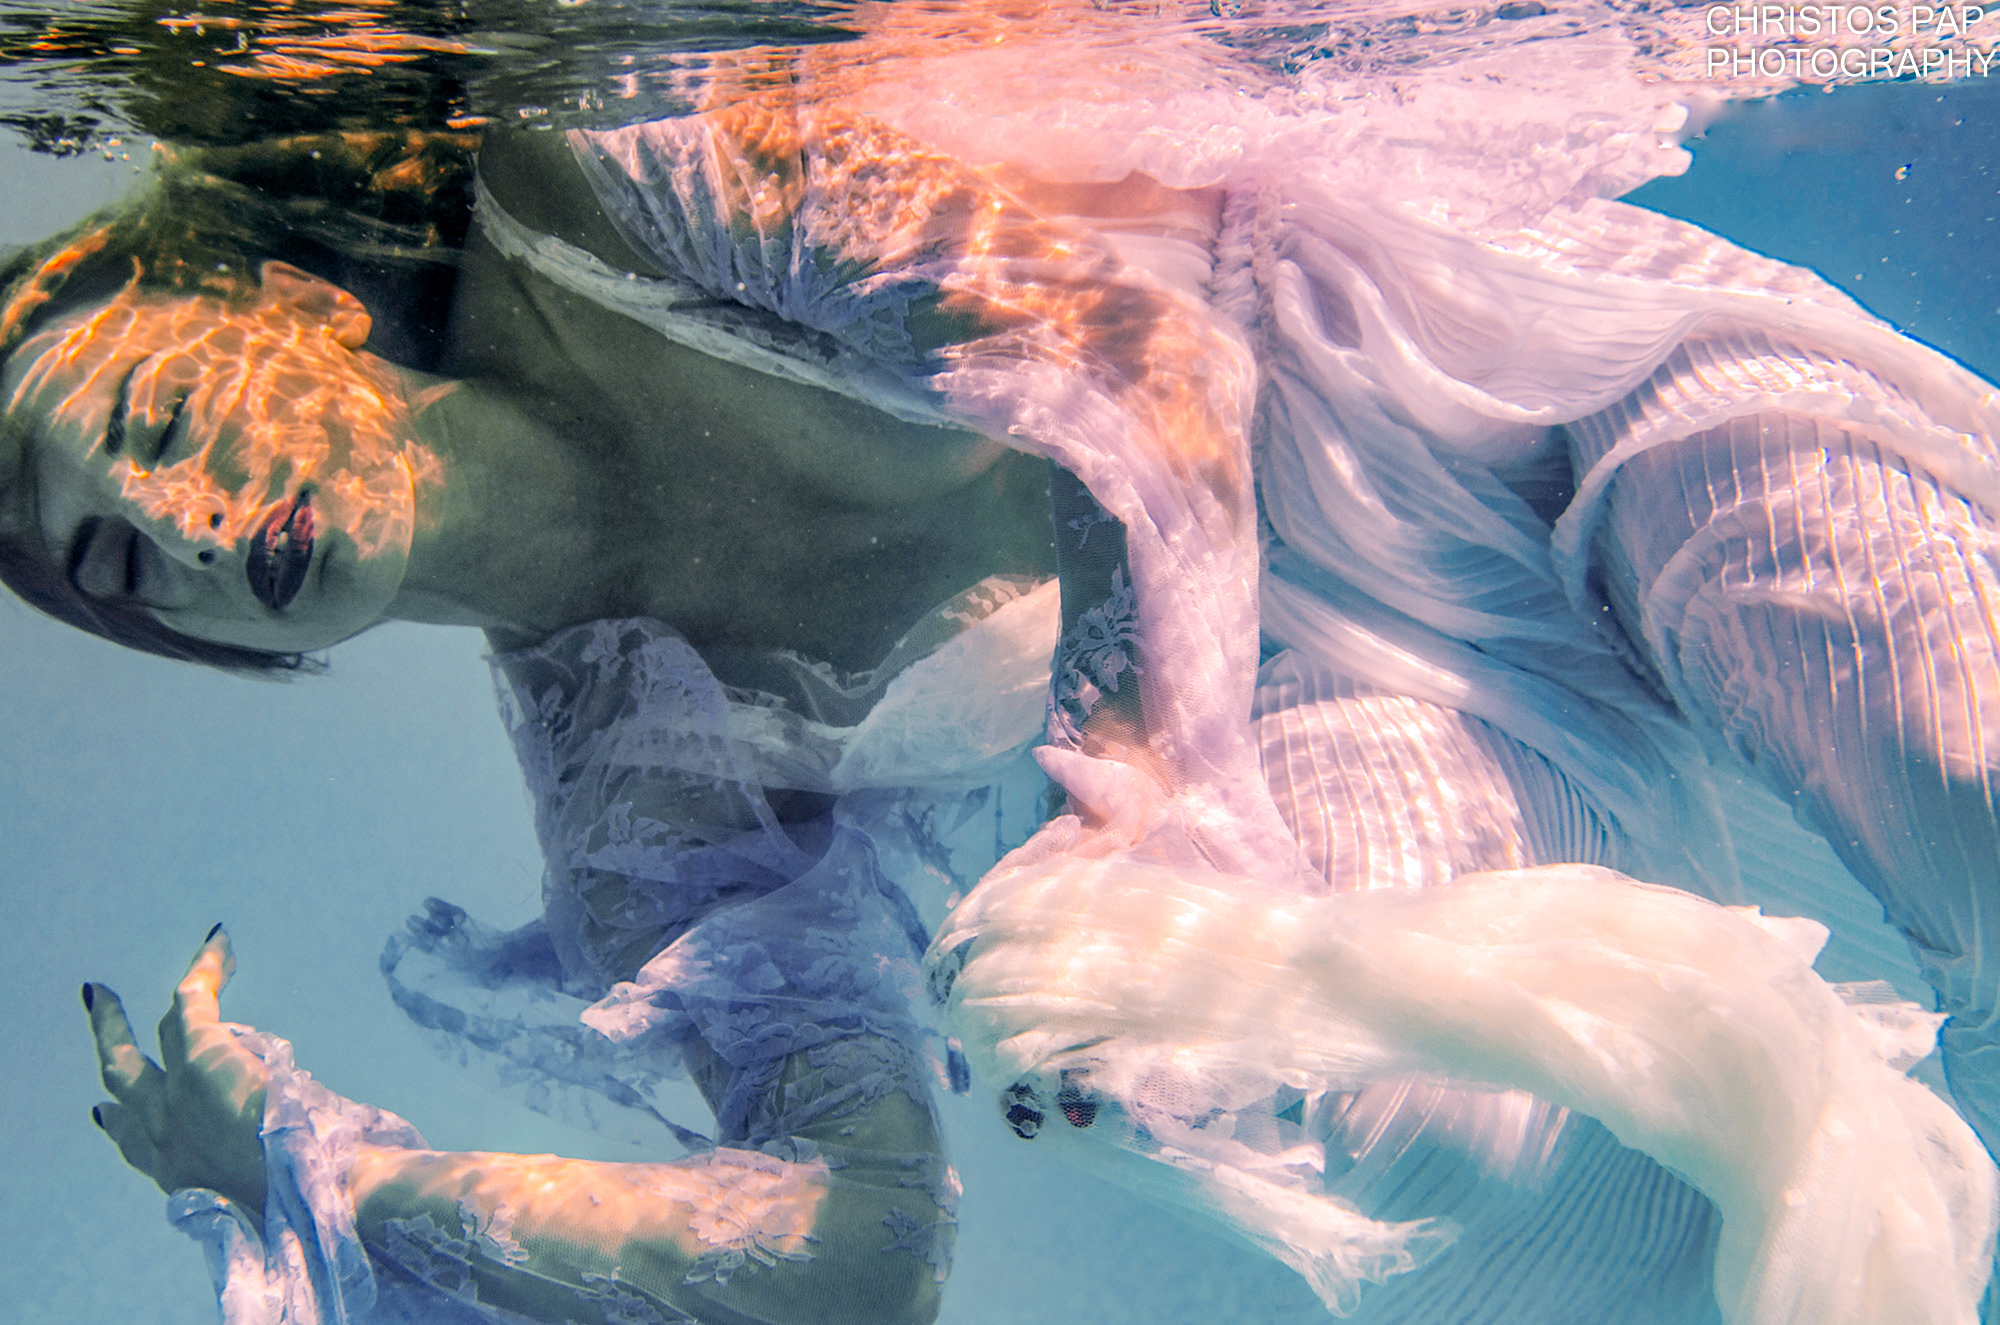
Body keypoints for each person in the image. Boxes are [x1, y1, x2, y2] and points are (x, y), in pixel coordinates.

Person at [7, 3, 2000, 1320]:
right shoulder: (640, 777)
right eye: (124, 570)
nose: (182, 533)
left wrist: (1188, 763)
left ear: (277, 308)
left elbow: (1118, 350)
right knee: (1300, 1091)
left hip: (1504, 382)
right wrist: (329, 1168)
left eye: (164, 428)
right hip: (1348, 716)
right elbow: (851, 1249)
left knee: (1960, 773)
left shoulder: (593, 167)